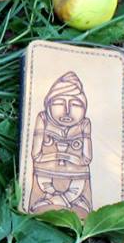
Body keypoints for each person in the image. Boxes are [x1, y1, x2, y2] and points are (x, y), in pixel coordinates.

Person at [30, 71, 93, 216]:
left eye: (75, 104)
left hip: (77, 180)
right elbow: (36, 155)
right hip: (44, 177)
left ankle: (60, 201)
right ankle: (53, 200)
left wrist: (67, 157)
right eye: (59, 103)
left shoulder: (84, 124)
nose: (67, 111)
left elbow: (87, 159)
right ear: (49, 104)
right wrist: (59, 156)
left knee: (81, 208)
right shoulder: (43, 118)